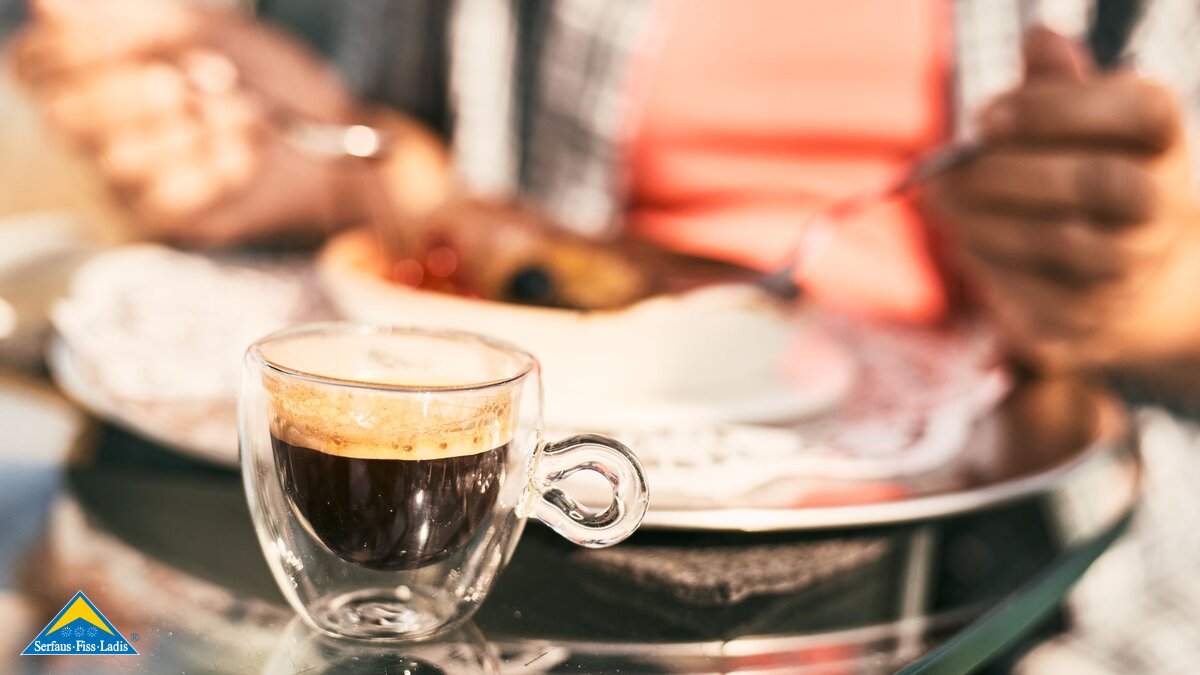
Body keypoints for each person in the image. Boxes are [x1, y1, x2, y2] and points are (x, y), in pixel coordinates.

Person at [12, 1, 1200, 670]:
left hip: (1026, 593)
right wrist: (316, 154)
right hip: (523, 587)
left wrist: (1157, 295)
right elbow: (385, 149)